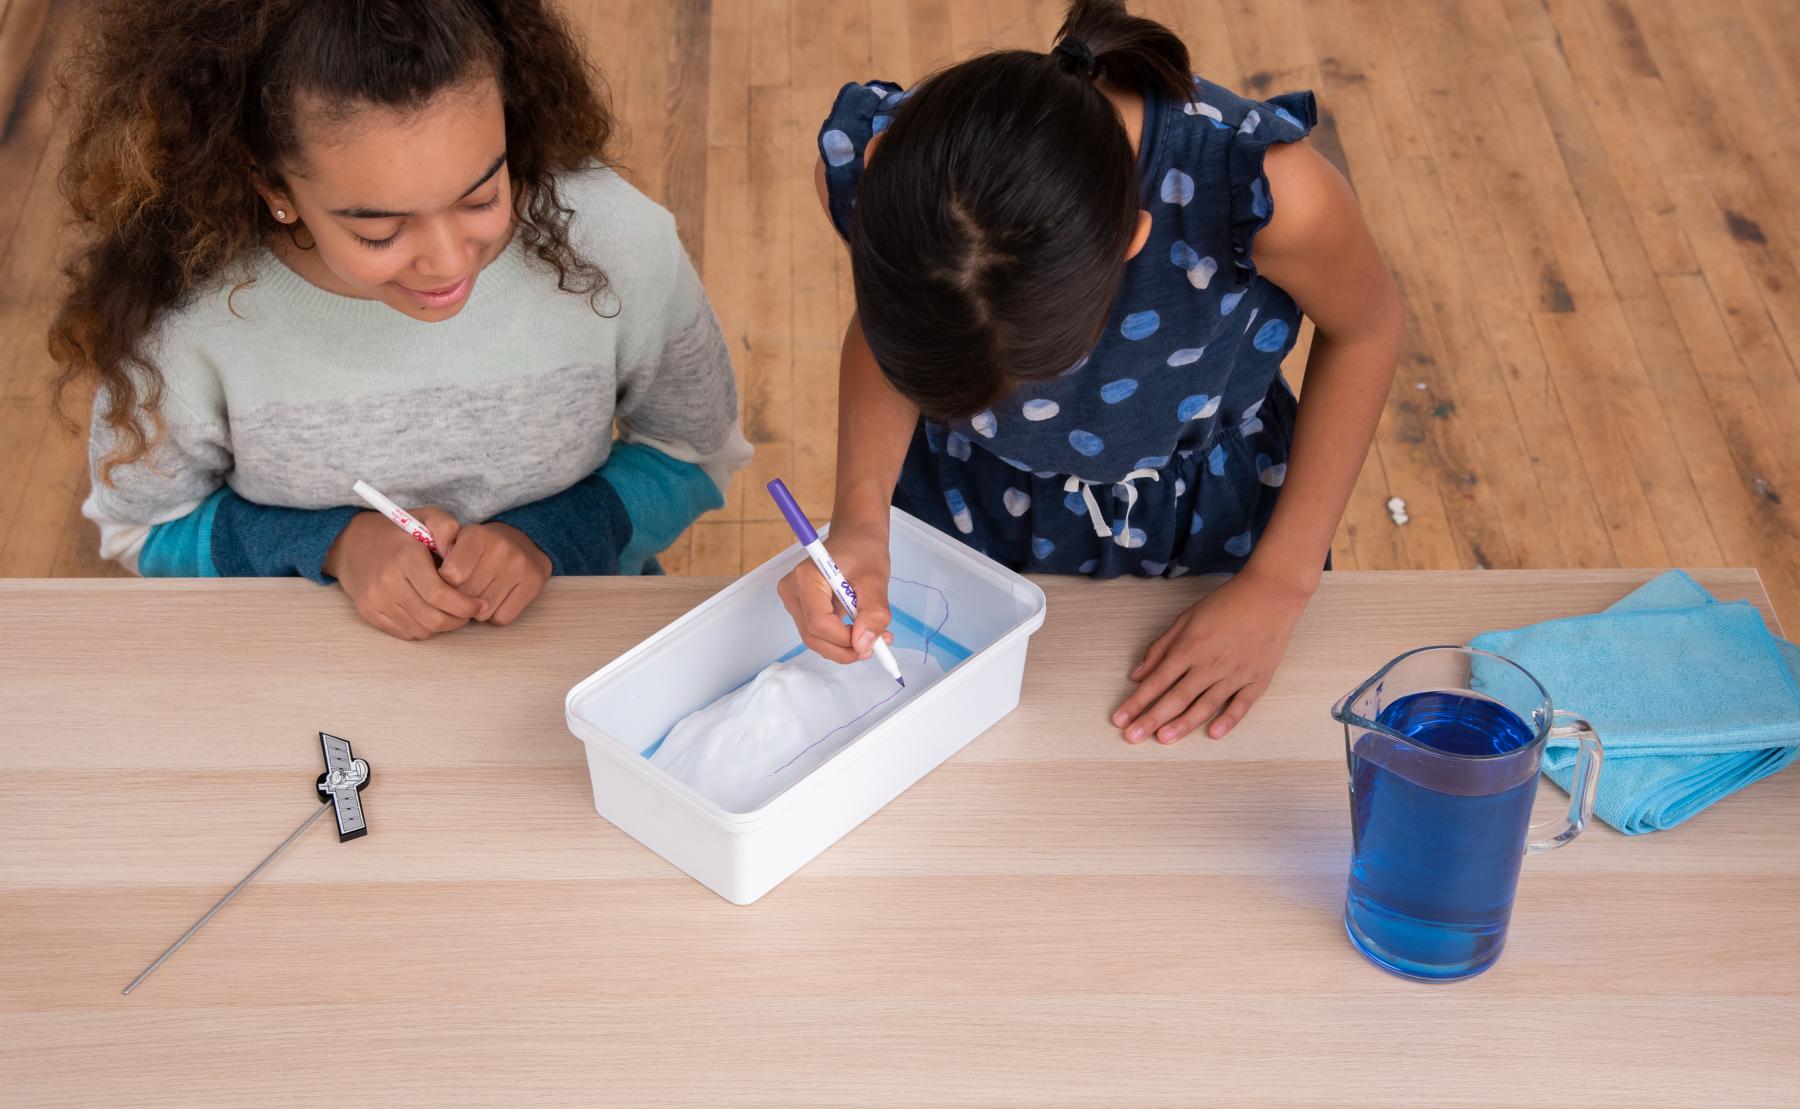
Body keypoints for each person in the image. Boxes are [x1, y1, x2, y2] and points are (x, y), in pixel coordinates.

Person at [778, 0, 1402, 743]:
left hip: (1202, 524)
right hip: (967, 499)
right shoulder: (877, 177)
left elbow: (1368, 329)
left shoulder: (1272, 198)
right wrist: (859, 519)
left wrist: (1279, 584)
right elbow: (900, 333)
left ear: (1134, 238)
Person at [50, 0, 751, 639]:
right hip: (309, 678)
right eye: (380, 232)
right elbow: (138, 528)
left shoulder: (618, 243)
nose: (448, 262)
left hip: (580, 655)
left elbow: (695, 451)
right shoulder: (188, 319)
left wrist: (552, 537)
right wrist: (332, 547)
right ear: (274, 188)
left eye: (482, 198)